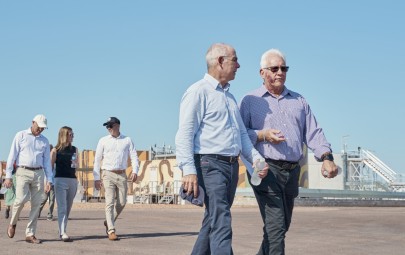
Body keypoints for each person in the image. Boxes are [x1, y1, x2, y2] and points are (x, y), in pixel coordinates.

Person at [239, 48, 338, 255]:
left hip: (292, 172)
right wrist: (263, 134)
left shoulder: (299, 101)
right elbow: (238, 136)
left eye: (284, 68)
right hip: (266, 170)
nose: (280, 72)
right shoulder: (249, 100)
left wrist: (327, 158)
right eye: (274, 68)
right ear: (262, 73)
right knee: (276, 229)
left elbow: (314, 133)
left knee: (280, 228)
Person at [175, 43, 268, 255]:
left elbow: (241, 135)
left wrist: (256, 159)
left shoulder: (229, 98)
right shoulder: (198, 92)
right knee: (222, 221)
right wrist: (188, 170)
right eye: (235, 60)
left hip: (230, 166)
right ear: (220, 61)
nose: (239, 65)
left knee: (213, 220)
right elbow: (184, 134)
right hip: (210, 164)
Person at [4, 114, 53, 244]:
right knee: (20, 200)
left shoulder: (45, 141)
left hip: (39, 173)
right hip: (22, 171)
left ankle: (30, 234)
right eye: (39, 127)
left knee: (37, 204)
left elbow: (47, 162)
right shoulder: (20, 135)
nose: (41, 129)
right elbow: (11, 156)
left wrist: (49, 180)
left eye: (43, 128)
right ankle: (13, 223)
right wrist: (8, 176)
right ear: (33, 122)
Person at [93, 117, 139, 241]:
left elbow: (134, 156)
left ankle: (109, 221)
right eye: (107, 126)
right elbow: (97, 160)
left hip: (122, 175)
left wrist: (135, 171)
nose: (108, 128)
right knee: (109, 202)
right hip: (107, 174)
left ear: (118, 126)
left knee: (122, 202)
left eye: (110, 126)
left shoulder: (127, 140)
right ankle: (111, 230)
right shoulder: (103, 141)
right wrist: (96, 178)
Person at [52, 127, 78, 242]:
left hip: (72, 179)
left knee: (68, 207)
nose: (72, 137)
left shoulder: (75, 149)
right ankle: (63, 232)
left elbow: (76, 165)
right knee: (62, 207)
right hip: (60, 180)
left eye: (73, 134)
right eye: (70, 134)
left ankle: (62, 229)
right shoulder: (55, 150)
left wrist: (75, 164)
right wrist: (49, 182)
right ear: (64, 135)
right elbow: (50, 167)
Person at [39, 144, 56, 221]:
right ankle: (37, 212)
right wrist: (45, 184)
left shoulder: (55, 162)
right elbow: (44, 173)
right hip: (46, 183)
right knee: (44, 199)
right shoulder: (45, 161)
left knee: (52, 200)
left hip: (54, 183)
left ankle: (50, 215)